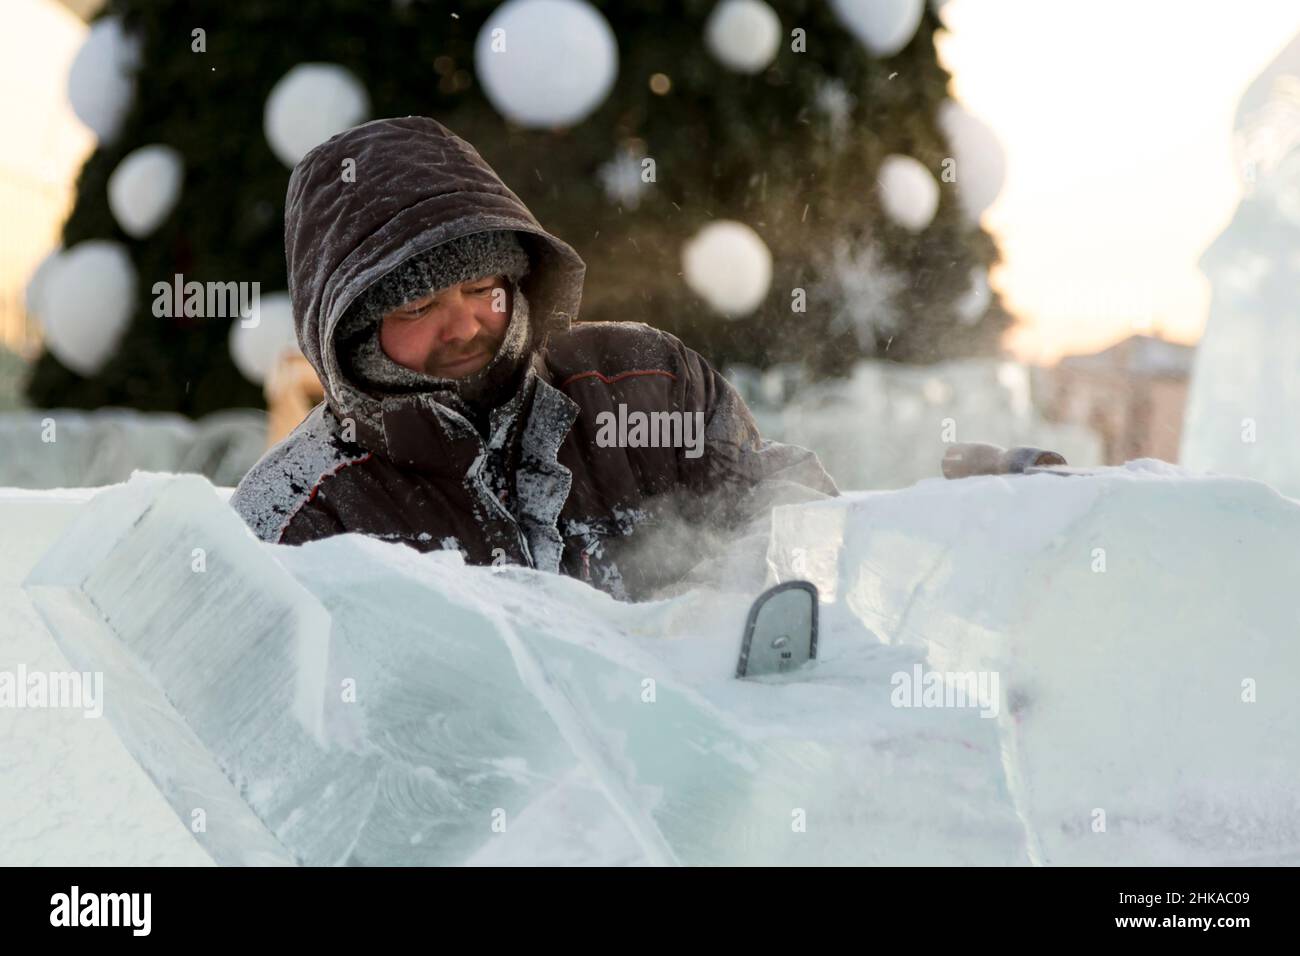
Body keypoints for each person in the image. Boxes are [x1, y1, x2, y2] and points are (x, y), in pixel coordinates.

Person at [232, 116, 837, 601]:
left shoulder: (645, 383)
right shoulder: (298, 514)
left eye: (481, 289)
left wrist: (713, 620)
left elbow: (785, 504)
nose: (464, 326)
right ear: (350, 335)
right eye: (418, 308)